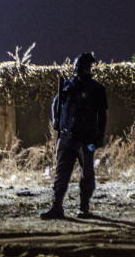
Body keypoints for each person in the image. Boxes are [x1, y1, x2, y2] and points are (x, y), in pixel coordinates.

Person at [41, 53, 108, 219]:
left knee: (87, 174)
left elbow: (102, 115)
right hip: (66, 138)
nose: (77, 68)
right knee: (61, 174)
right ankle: (57, 207)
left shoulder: (96, 89)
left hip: (87, 139)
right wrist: (56, 119)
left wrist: (100, 137)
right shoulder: (68, 85)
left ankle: (84, 208)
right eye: (76, 65)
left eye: (80, 66)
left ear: (88, 68)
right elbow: (56, 102)